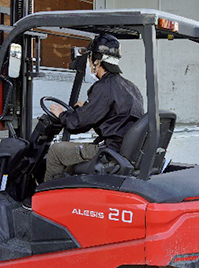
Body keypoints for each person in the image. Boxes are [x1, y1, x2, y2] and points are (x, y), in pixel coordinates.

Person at [44, 34, 144, 182]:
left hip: (110, 151)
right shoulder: (130, 87)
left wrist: (62, 114)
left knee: (56, 151)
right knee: (70, 159)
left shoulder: (103, 87)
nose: (90, 64)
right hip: (123, 150)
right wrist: (87, 108)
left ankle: (45, 200)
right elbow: (115, 117)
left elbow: (76, 124)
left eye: (90, 60)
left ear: (97, 61)